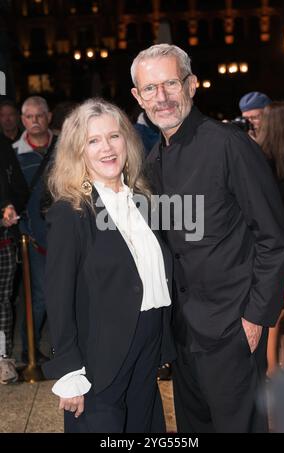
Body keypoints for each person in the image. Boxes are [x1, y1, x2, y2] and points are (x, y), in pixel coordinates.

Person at [131, 44, 284, 433]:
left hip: (232, 327)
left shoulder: (230, 145)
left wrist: (256, 317)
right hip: (182, 333)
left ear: (191, 85)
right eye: (150, 89)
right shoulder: (152, 160)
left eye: (170, 83)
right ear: (138, 97)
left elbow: (273, 238)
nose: (162, 97)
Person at [42, 98, 175, 433]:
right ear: (78, 151)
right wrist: (70, 369)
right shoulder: (70, 211)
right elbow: (57, 297)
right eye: (93, 140)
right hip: (100, 357)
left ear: (127, 141)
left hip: (149, 343)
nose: (107, 148)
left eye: (114, 136)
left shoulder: (143, 199)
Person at [257, 102, 284, 377]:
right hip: (280, 252)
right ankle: (271, 372)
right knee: (277, 314)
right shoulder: (264, 164)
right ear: (280, 124)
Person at [13, 96, 57, 364]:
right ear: (22, 120)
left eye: (40, 115)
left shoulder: (66, 145)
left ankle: (67, 348)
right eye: (29, 117)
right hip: (35, 237)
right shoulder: (15, 155)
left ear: (49, 116)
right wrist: (23, 229)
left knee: (71, 293)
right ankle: (29, 350)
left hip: (67, 233)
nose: (35, 121)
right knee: (39, 296)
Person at [0, 134, 29, 383]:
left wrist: (10, 206)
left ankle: (2, 358)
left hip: (3, 237)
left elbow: (19, 188)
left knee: (2, 302)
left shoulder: (2, 144)